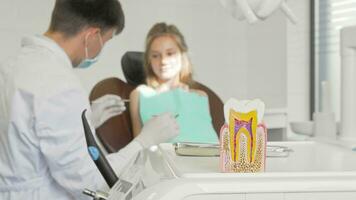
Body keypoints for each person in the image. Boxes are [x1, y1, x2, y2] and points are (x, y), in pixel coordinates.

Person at [0, 1, 179, 200]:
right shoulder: (60, 84)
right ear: (92, 36)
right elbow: (90, 183)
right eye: (106, 40)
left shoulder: (13, 65)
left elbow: (31, 131)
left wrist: (87, 121)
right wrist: (144, 141)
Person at [129, 22, 218, 143]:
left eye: (170, 53)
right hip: (164, 160)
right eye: (155, 55)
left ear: (182, 55)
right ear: (148, 60)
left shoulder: (200, 96)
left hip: (210, 159)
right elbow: (138, 148)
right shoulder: (140, 95)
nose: (163, 61)